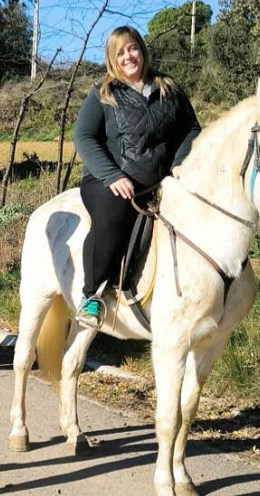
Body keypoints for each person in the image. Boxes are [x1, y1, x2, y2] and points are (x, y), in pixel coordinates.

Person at [72, 25, 202, 329]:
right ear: (112, 59)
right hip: (108, 181)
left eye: (132, 48)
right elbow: (84, 137)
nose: (128, 56)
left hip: (163, 181)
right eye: (120, 52)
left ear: (142, 50)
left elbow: (192, 128)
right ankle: (92, 295)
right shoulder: (103, 94)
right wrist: (112, 175)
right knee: (115, 216)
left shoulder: (168, 88)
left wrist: (180, 164)